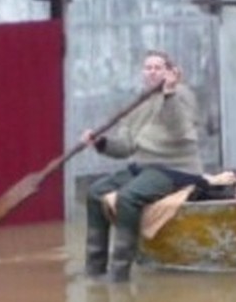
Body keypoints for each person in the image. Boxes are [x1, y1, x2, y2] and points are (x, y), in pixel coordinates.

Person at [82, 50, 205, 282]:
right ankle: (94, 270)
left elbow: (179, 130)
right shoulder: (138, 102)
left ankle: (120, 271)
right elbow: (126, 147)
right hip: (144, 167)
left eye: (158, 67)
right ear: (142, 73)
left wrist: (169, 95)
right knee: (95, 192)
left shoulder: (183, 95)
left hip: (176, 168)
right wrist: (100, 143)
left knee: (127, 197)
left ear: (170, 72)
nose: (152, 72)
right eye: (148, 68)